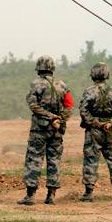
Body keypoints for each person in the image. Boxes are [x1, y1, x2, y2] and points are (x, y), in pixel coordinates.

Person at [17, 55, 74, 205]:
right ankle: (51, 196)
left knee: (34, 159)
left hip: (39, 130)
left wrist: (50, 117)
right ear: (52, 68)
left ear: (39, 68)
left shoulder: (35, 84)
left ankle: (30, 196)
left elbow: (33, 106)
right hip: (56, 130)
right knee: (54, 160)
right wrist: (58, 119)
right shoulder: (62, 85)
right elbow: (69, 106)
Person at [78, 62, 112, 202]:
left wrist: (96, 123)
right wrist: (111, 123)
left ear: (93, 75)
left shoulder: (89, 91)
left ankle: (88, 192)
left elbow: (83, 111)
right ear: (107, 75)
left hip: (94, 131)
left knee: (91, 160)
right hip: (110, 130)